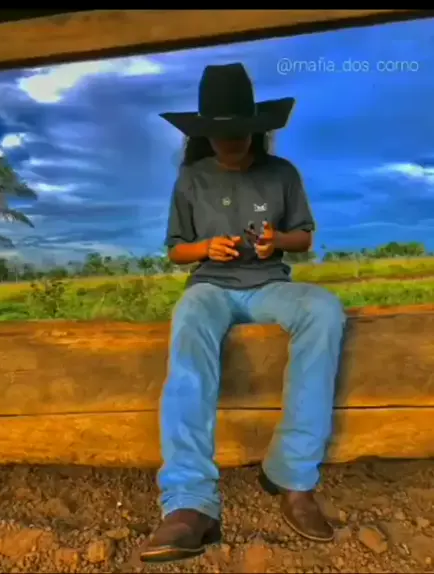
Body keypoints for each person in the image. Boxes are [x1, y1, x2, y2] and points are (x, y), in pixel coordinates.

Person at [140, 62, 346, 564]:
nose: (230, 142)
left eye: (239, 132)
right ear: (203, 136)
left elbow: (304, 237)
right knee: (189, 317)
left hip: (269, 285)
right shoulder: (192, 177)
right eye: (220, 134)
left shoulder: (282, 174)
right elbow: (176, 250)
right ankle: (189, 501)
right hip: (211, 287)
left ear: (257, 129)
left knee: (323, 308)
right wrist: (207, 247)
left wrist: (277, 241)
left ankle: (292, 476)